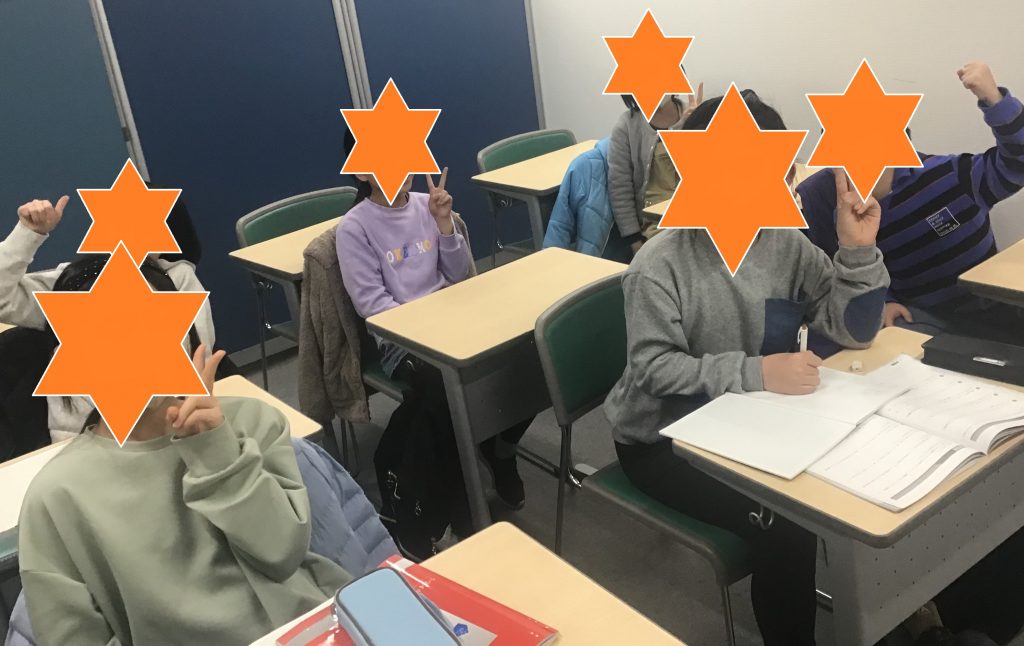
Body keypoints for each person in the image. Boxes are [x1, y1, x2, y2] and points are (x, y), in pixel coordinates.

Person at [604, 91, 889, 646]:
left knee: (842, 483)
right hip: (662, 440)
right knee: (786, 522)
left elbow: (851, 330)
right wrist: (757, 372)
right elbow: (654, 370)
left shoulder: (784, 245)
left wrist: (857, 251)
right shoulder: (659, 265)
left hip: (748, 421)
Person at [17, 344, 352, 645]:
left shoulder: (251, 420)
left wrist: (217, 453)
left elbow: (282, 552)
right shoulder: (55, 496)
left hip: (312, 626)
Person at [335, 132, 532, 514]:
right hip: (402, 342)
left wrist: (444, 225)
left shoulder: (428, 205)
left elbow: (458, 276)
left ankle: (500, 448)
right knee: (445, 388)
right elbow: (373, 306)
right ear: (360, 172)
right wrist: (431, 330)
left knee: (527, 353)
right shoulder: (355, 228)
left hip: (453, 320)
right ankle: (449, 497)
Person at [797, 62, 1024, 345]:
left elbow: (1016, 164)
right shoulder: (821, 197)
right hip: (920, 319)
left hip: (994, 305)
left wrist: (994, 99)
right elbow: (832, 268)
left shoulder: (949, 175)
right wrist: (885, 300)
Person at [0, 195, 215, 442]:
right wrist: (28, 233)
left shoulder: (179, 279)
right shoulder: (76, 280)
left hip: (166, 427)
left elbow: (197, 360)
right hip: (82, 436)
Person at [608, 82, 704, 255]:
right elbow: (620, 189)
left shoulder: (694, 114)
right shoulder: (627, 126)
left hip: (696, 217)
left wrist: (693, 128)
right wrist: (635, 243)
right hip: (655, 225)